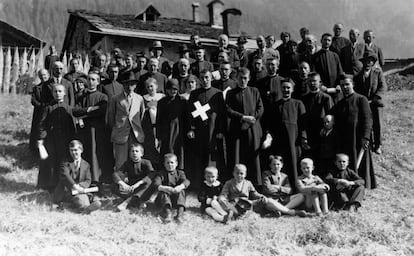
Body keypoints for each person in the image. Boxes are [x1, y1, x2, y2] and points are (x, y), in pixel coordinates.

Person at [331, 75, 376, 189]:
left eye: (347, 84)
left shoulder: (361, 99)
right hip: (344, 139)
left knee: (359, 164)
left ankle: (359, 187)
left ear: (353, 84)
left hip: (358, 138)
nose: (345, 87)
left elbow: (368, 119)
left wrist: (366, 137)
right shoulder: (339, 103)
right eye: (342, 85)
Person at [262, 80, 308, 187]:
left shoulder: (298, 104)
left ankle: (295, 189)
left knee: (293, 165)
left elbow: (303, 123)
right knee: (280, 165)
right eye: (283, 88)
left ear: (292, 89)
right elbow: (270, 124)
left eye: (288, 88)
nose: (286, 90)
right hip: (279, 142)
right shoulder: (275, 105)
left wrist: (303, 137)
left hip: (293, 141)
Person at [219, 164, 310, 218]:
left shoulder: (248, 183)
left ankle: (285, 211)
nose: (239, 175)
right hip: (235, 206)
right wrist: (224, 200)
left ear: (245, 174)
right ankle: (291, 212)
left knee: (267, 200)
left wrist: (261, 197)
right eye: (237, 173)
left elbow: (254, 194)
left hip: (248, 205)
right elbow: (223, 195)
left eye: (242, 173)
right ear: (233, 173)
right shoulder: (229, 183)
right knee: (223, 201)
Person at [187, 70, 226, 189]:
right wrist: (191, 129)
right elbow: (189, 113)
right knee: (198, 156)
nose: (205, 80)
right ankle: (198, 184)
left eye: (207, 77)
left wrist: (220, 130)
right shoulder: (194, 94)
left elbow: (222, 113)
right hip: (198, 130)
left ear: (211, 79)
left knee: (212, 156)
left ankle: (212, 184)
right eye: (202, 78)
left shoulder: (217, 94)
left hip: (212, 130)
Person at [72, 72, 114, 183]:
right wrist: (89, 109)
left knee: (97, 153)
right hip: (85, 130)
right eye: (89, 79)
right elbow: (75, 111)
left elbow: (101, 110)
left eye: (94, 80)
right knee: (86, 153)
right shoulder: (81, 97)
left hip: (98, 130)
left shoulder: (102, 96)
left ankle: (98, 179)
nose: (91, 82)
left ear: (98, 82)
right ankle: (86, 178)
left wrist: (85, 113)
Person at [225, 68, 263, 185]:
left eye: (245, 78)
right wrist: (243, 117)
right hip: (237, 128)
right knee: (238, 156)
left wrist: (253, 118)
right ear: (237, 79)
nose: (243, 80)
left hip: (252, 129)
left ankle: (255, 184)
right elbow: (228, 109)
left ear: (249, 78)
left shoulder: (254, 91)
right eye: (240, 78)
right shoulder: (231, 93)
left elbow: (260, 107)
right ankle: (237, 184)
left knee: (253, 156)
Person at [37, 84, 75, 192]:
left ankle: (62, 183)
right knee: (51, 161)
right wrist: (42, 138)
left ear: (64, 93)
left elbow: (72, 126)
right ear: (52, 93)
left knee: (63, 161)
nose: (57, 94)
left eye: (60, 91)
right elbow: (42, 124)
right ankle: (50, 184)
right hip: (51, 139)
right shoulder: (48, 107)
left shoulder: (68, 108)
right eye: (55, 92)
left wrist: (72, 139)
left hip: (65, 139)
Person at [108, 72, 145, 170]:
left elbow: (141, 116)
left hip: (135, 133)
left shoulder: (139, 99)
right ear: (122, 85)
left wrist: (136, 127)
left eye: (132, 84)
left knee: (135, 159)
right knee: (120, 161)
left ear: (135, 85)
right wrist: (117, 128)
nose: (129, 87)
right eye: (126, 84)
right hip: (121, 134)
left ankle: (134, 182)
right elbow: (111, 117)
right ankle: (121, 183)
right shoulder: (115, 99)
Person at [53, 140, 101, 213]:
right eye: (71, 150)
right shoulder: (65, 162)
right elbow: (65, 176)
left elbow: (88, 180)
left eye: (75, 150)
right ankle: (86, 208)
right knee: (81, 197)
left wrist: (80, 187)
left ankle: (68, 206)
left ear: (81, 150)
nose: (73, 153)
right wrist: (75, 186)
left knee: (87, 196)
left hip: (80, 190)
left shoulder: (86, 165)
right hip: (67, 190)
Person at [354, 51, 387, 154]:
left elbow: (383, 86)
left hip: (376, 103)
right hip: (364, 103)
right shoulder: (358, 76)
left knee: (378, 124)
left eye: (370, 61)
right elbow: (356, 90)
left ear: (373, 63)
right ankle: (368, 142)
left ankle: (378, 145)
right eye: (366, 61)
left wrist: (375, 98)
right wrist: (362, 101)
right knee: (366, 123)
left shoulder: (378, 73)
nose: (368, 63)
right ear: (363, 62)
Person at [112, 143, 156, 211]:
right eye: (132, 151)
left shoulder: (146, 162)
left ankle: (127, 202)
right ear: (129, 154)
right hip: (131, 188)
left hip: (142, 187)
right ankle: (138, 201)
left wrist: (138, 184)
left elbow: (151, 174)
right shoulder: (127, 163)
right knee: (114, 186)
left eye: (137, 151)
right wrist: (122, 184)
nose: (134, 153)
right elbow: (116, 174)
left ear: (141, 154)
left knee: (149, 182)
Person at [156, 79, 187, 170]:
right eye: (170, 89)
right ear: (166, 90)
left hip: (178, 131)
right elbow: (159, 120)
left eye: (175, 89)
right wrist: (159, 136)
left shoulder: (182, 101)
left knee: (179, 152)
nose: (172, 91)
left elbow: (186, 118)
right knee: (167, 150)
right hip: (166, 131)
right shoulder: (162, 102)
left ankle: (179, 172)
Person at [302, 72, 334, 156]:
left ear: (320, 82)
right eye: (310, 81)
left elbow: (330, 117)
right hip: (308, 134)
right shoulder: (304, 99)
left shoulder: (326, 98)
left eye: (314, 81)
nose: (312, 83)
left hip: (322, 134)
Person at [153, 153, 190, 223]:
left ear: (176, 163)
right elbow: (156, 183)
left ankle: (179, 215)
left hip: (175, 199)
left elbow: (186, 181)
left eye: (172, 162)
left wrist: (180, 187)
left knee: (182, 192)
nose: (170, 165)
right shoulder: (161, 173)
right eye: (167, 163)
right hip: (163, 199)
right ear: (164, 164)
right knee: (164, 192)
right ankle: (168, 214)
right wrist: (166, 188)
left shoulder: (180, 173)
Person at [312, 33, 343, 103]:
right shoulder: (315, 56)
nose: (327, 42)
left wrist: (338, 85)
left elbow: (340, 73)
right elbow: (314, 73)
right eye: (325, 40)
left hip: (335, 90)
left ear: (331, 42)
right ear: (321, 41)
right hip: (322, 90)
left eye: (329, 40)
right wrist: (320, 86)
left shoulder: (335, 56)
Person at [142, 78, 165, 168]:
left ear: (156, 86)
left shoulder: (162, 97)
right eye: (148, 87)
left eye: (152, 86)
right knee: (150, 147)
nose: (150, 88)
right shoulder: (144, 98)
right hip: (149, 128)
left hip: (160, 126)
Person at [30, 69, 50, 153]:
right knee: (38, 129)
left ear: (48, 75)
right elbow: (33, 100)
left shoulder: (52, 86)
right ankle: (36, 150)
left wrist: (48, 105)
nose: (43, 77)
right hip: (39, 111)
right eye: (41, 75)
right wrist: (41, 106)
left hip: (49, 111)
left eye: (44, 75)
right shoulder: (36, 88)